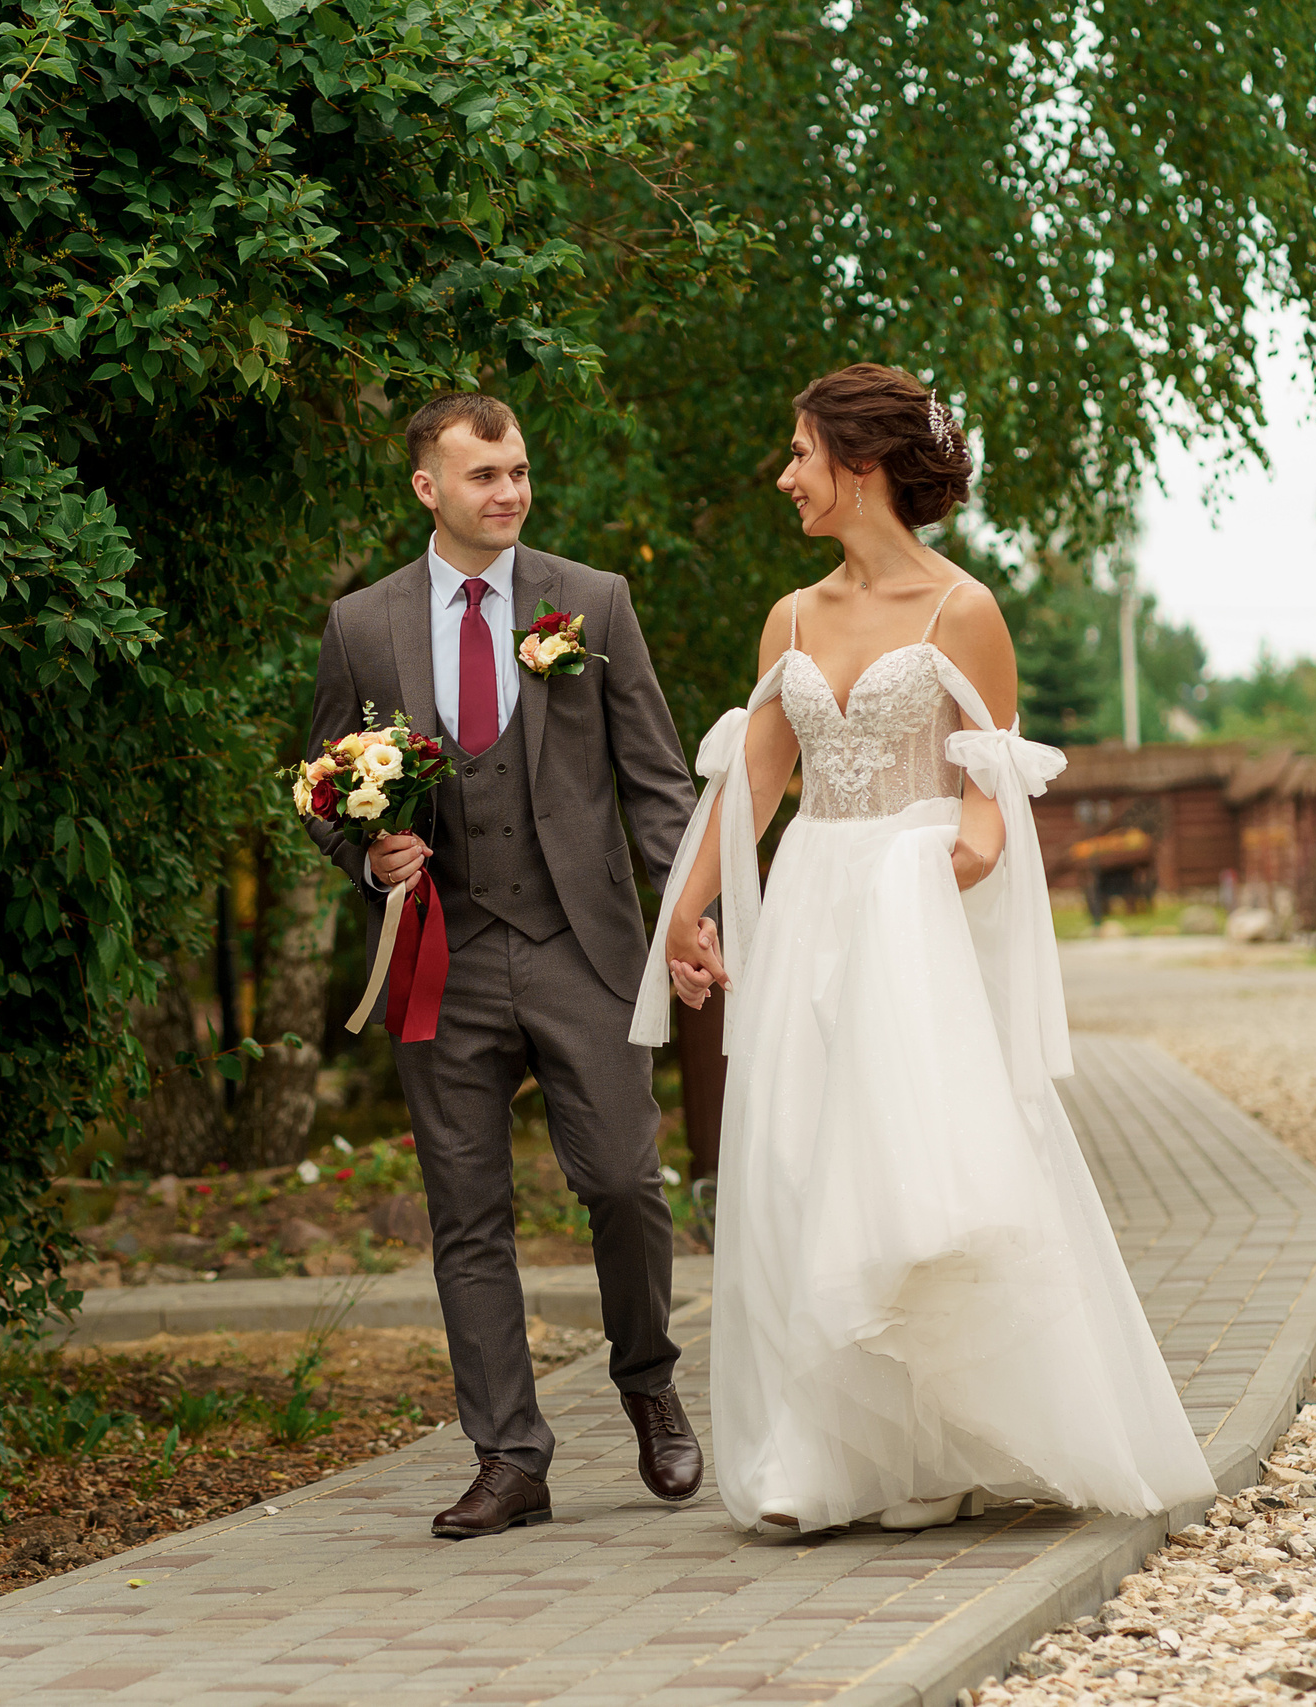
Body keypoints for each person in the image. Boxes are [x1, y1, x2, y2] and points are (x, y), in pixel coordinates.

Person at [636, 364, 1216, 1533]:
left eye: (800, 453)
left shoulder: (965, 612)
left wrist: (934, 866)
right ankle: (821, 1458)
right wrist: (686, 914)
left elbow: (990, 802)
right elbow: (757, 780)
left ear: (858, 465)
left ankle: (942, 1447)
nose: (786, 477)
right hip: (810, 904)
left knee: (911, 1174)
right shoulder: (789, 618)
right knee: (799, 1157)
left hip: (908, 923)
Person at [301, 394, 706, 1538]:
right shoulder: (361, 623)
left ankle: (648, 1384)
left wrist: (689, 916)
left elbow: (656, 780)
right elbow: (322, 784)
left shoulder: (592, 601)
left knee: (623, 1182)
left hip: (582, 943)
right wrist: (370, 858)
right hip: (442, 953)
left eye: (518, 470)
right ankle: (510, 1457)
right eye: (483, 475)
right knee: (467, 1214)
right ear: (427, 487)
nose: (510, 492)